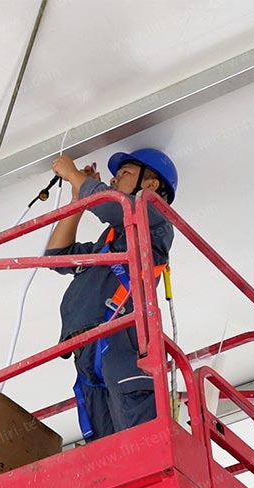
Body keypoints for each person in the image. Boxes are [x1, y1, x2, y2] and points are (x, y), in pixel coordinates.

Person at [46, 149, 177, 442]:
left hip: (118, 343)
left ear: (151, 186)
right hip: (86, 349)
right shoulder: (105, 244)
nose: (115, 180)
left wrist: (76, 177)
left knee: (139, 441)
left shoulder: (155, 222)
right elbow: (57, 256)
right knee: (106, 448)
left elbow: (115, 206)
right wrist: (77, 198)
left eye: (125, 174)